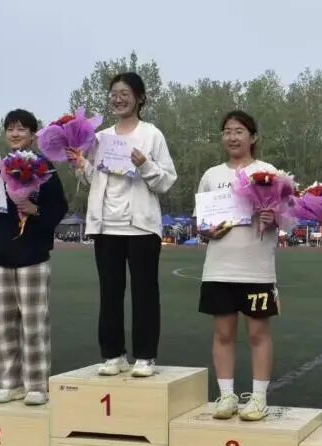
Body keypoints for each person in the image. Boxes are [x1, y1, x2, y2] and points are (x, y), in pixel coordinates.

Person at [68, 72, 177, 379]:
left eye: (125, 93)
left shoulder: (152, 135)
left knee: (145, 293)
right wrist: (82, 165)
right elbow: (95, 178)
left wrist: (144, 164)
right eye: (114, 93)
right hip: (106, 226)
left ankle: (145, 356)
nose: (118, 99)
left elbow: (166, 181)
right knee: (110, 292)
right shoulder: (100, 138)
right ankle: (113, 354)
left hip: (141, 226)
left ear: (140, 98)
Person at [0, 109, 68, 406]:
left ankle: (36, 385)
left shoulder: (44, 169)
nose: (15, 133)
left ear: (33, 135)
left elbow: (59, 209)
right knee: (2, 327)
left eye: (21, 129)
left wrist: (35, 211)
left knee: (34, 327)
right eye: (10, 129)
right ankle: (10, 384)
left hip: (33, 257)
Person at [195, 111, 279, 421]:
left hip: (257, 269)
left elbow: (286, 216)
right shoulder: (211, 175)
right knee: (223, 333)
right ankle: (227, 396)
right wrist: (208, 231)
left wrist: (274, 218)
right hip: (219, 269)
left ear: (253, 137)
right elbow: (200, 223)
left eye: (239, 131)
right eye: (227, 131)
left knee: (258, 333)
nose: (232, 137)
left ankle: (258, 398)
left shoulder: (268, 173)